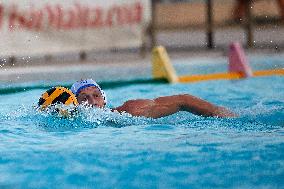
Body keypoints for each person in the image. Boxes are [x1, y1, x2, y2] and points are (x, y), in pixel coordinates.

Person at [70, 79, 236, 119]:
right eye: (84, 98)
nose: (92, 102)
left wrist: (223, 114)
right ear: (74, 104)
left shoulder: (129, 111)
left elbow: (183, 99)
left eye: (96, 96)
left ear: (104, 99)